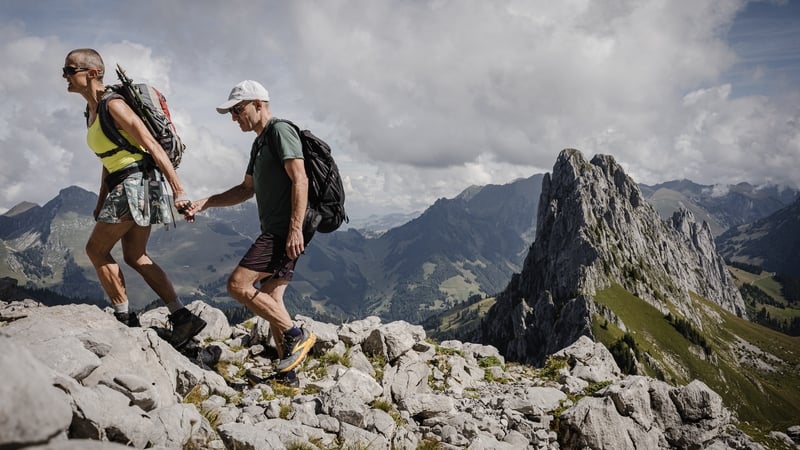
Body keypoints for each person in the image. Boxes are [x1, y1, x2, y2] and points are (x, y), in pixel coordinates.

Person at [63, 48, 206, 348]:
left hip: (134, 184)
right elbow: (108, 158)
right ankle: (182, 317)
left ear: (91, 73)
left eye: (69, 69)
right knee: (135, 255)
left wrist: (179, 190)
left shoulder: (112, 105)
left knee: (95, 250)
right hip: (136, 184)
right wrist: (101, 201)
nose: (64, 76)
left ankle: (124, 318)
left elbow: (151, 144)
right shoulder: (91, 112)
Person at [183, 80, 316, 387]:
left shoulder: (280, 132)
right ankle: (288, 376)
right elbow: (246, 190)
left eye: (238, 110)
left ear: (259, 104)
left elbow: (300, 179)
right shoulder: (259, 143)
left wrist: (295, 228)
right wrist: (206, 203)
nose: (234, 118)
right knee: (269, 298)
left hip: (284, 229)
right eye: (232, 113)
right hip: (279, 228)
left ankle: (298, 334)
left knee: (238, 285)